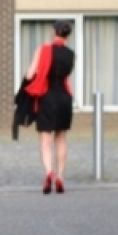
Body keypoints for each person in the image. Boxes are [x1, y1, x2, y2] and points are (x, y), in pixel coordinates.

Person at [24, 19, 76, 194]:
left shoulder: (43, 50)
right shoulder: (71, 54)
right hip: (64, 98)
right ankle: (60, 177)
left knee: (46, 140)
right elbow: (66, 78)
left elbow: (30, 74)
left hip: (47, 97)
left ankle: (49, 172)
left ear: (54, 31)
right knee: (61, 138)